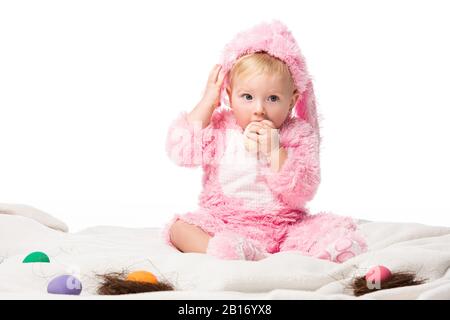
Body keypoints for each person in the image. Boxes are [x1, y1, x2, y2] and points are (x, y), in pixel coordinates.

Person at [163, 20, 367, 262]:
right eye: (247, 97)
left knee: (329, 228)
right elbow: (182, 151)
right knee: (178, 228)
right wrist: (208, 101)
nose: (258, 109)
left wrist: (275, 150)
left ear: (292, 101)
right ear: (229, 95)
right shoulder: (221, 126)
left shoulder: (297, 133)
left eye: (272, 98)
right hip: (224, 222)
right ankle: (229, 251)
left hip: (283, 228)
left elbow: (302, 189)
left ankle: (327, 250)